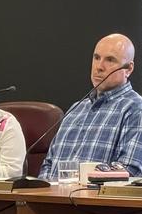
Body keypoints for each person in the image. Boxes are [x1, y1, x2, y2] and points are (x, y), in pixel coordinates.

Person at [39, 33, 142, 181]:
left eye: (110, 60)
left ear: (128, 69)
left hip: (97, 202)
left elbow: (131, 172)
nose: (99, 67)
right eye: (96, 57)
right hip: (54, 200)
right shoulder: (76, 109)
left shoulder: (135, 109)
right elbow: (48, 165)